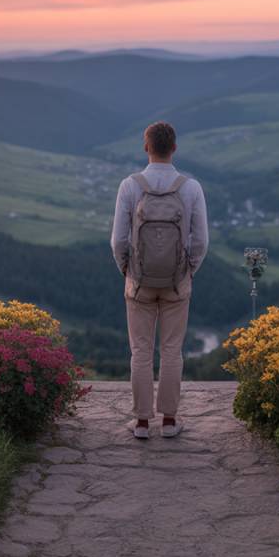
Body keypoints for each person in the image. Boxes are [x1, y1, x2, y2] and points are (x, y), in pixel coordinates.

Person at [110, 121, 208, 439]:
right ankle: (168, 422)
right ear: (174, 148)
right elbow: (201, 241)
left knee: (140, 351)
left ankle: (140, 423)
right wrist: (188, 270)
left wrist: (128, 270)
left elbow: (118, 241)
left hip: (138, 283)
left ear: (146, 147)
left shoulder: (130, 186)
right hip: (177, 284)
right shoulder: (190, 188)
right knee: (171, 351)